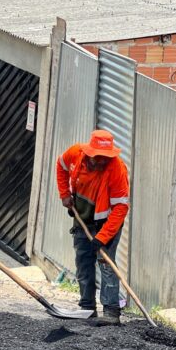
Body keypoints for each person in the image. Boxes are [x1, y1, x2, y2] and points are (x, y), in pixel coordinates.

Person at [56, 129, 129, 326]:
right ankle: (87, 307)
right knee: (83, 260)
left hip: (107, 223)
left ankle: (111, 311)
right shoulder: (75, 154)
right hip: (82, 219)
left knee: (105, 263)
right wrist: (65, 194)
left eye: (107, 157)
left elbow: (121, 208)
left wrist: (102, 237)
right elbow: (60, 165)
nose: (103, 161)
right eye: (100, 157)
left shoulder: (117, 169)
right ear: (91, 152)